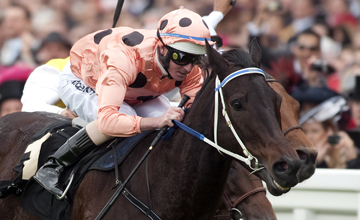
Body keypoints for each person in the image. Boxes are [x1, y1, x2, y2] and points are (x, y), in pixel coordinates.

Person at [34, 7, 213, 198]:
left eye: (195, 58)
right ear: (162, 48)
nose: (188, 67)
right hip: (84, 79)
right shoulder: (124, 58)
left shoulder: (190, 66)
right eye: (181, 57)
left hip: (135, 91)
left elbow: (195, 114)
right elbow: (108, 121)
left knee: (174, 124)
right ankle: (54, 165)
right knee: (128, 119)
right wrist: (154, 121)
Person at [300, 96, 360, 168]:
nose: (308, 136)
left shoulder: (342, 155)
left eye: (314, 131)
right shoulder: (297, 156)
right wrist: (317, 161)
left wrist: (352, 158)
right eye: (304, 131)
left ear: (328, 132)